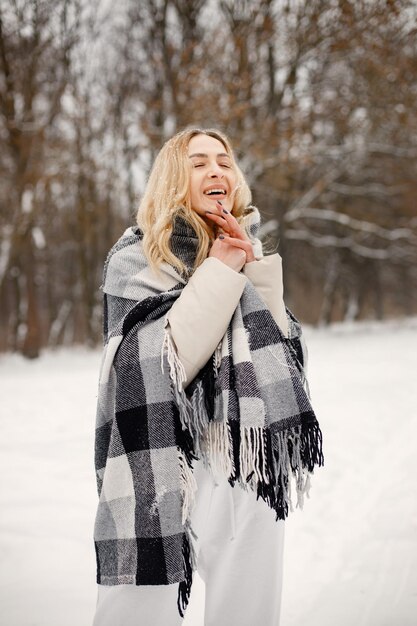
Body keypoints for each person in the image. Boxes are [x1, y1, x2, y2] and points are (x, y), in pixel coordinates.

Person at [92, 128, 323, 626]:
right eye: (198, 163)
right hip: (162, 460)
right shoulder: (135, 262)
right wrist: (221, 269)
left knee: (250, 607)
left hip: (247, 452)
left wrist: (254, 269)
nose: (216, 170)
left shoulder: (248, 249)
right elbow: (162, 363)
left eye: (224, 161)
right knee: (136, 609)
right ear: (173, 180)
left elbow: (286, 361)